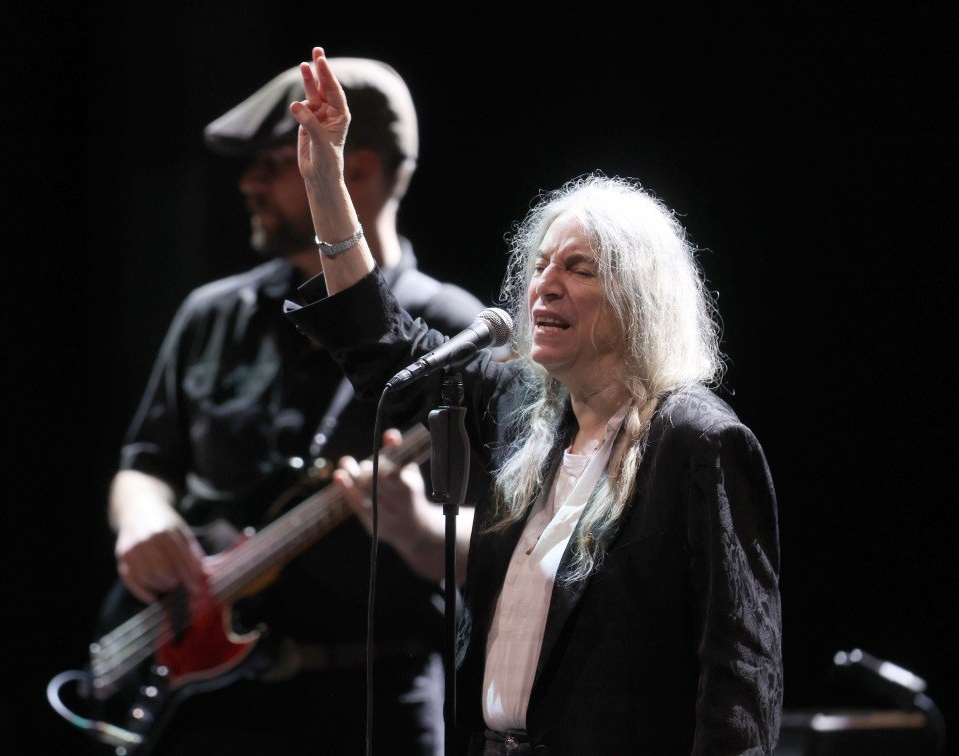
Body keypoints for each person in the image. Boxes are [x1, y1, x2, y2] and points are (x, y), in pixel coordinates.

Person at [284, 48, 783, 754]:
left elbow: (739, 675)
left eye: (578, 269)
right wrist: (326, 184)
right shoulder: (525, 412)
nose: (544, 284)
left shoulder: (695, 443)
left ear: (640, 299)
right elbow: (385, 343)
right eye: (541, 264)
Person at [108, 55, 489, 755]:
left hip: (371, 701)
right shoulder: (212, 314)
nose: (248, 183)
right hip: (204, 701)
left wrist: (414, 530)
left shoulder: (458, 334)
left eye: (274, 164)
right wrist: (142, 519)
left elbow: (502, 547)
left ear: (355, 169)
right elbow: (145, 463)